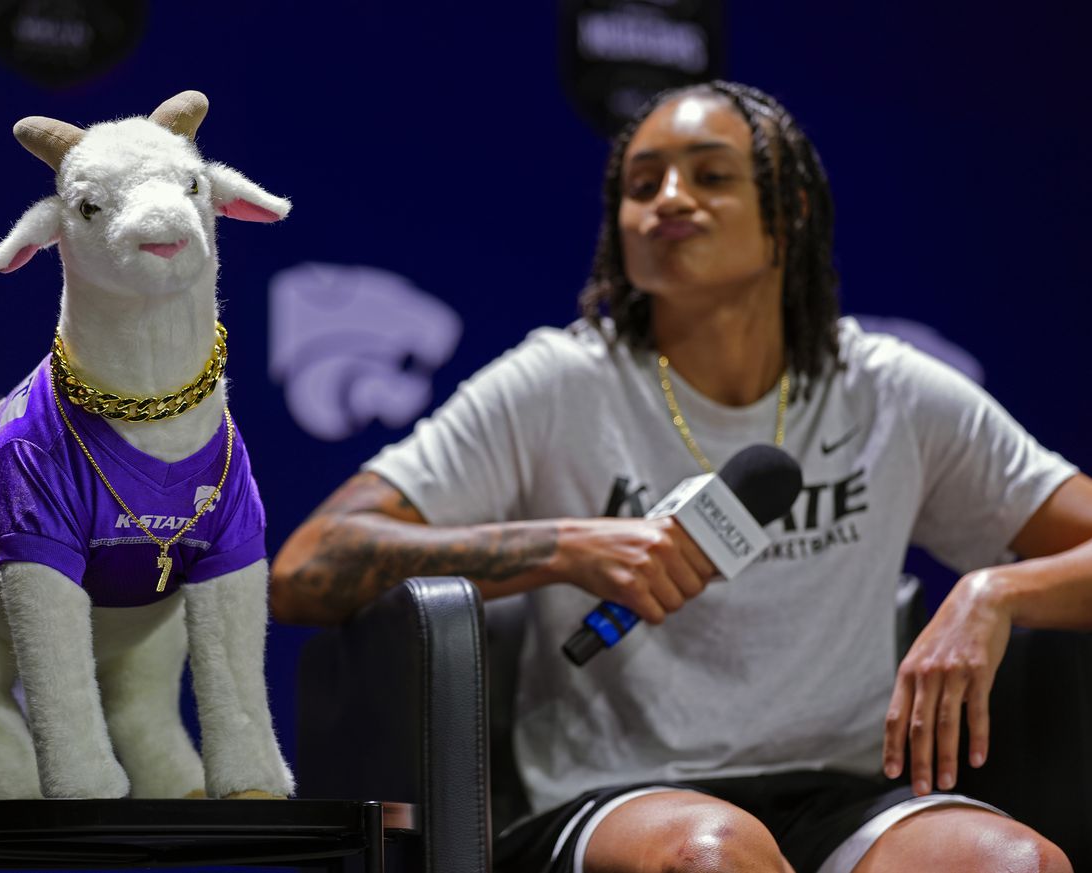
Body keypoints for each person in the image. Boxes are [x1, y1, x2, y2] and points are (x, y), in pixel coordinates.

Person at [270, 81, 1092, 873]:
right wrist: (563, 546)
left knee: (1013, 861)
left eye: (710, 175)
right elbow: (307, 567)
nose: (667, 198)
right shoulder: (560, 384)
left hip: (842, 790)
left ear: (789, 212)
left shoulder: (892, 393)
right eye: (641, 182)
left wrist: (999, 593)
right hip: (620, 792)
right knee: (712, 854)